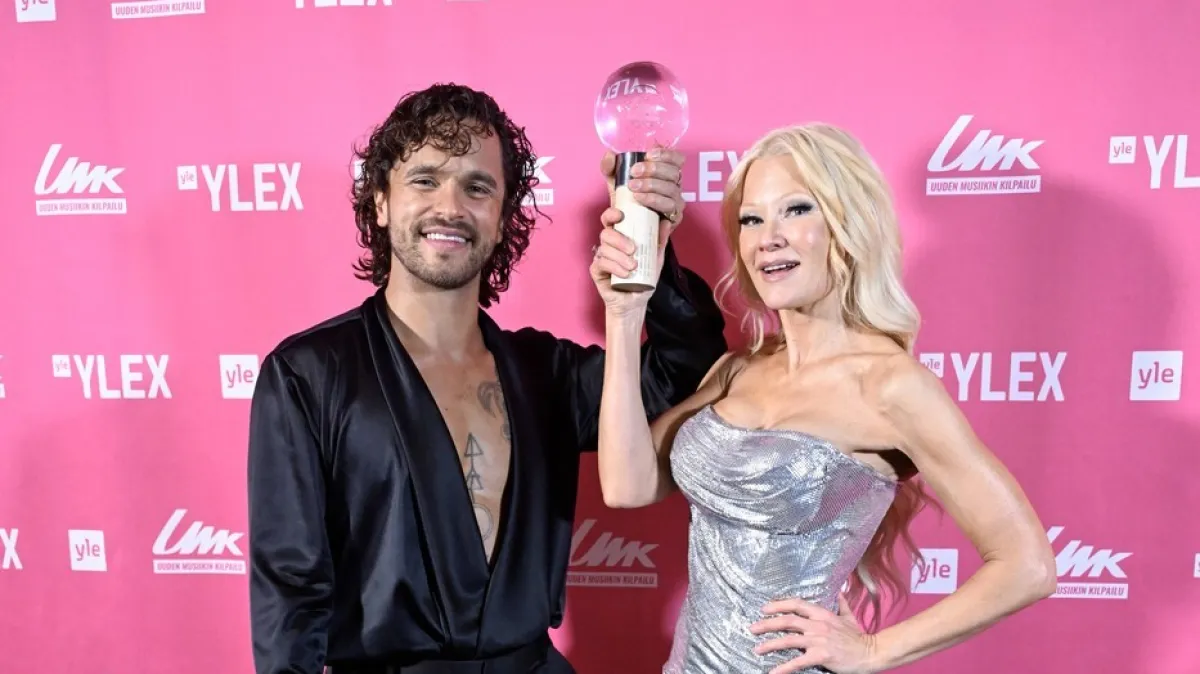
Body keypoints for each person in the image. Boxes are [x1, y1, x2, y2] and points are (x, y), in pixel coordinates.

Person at [245, 83, 727, 674]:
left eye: (477, 187)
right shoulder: (307, 375)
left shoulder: (548, 373)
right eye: (425, 180)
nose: (450, 207)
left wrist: (652, 242)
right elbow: (290, 591)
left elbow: (683, 372)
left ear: (500, 220)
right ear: (381, 202)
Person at [590, 123, 1058, 674]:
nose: (768, 238)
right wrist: (625, 313)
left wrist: (874, 651)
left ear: (846, 223)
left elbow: (1028, 565)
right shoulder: (738, 370)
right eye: (751, 219)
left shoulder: (889, 385)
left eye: (796, 210)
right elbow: (627, 485)